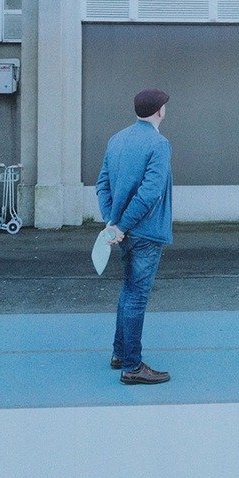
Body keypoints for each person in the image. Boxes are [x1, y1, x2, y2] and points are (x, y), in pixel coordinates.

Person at [96, 88, 175, 386]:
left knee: (128, 292)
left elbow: (102, 184)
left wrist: (113, 222)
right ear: (159, 111)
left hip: (122, 232)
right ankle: (132, 365)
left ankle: (120, 354)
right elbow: (150, 194)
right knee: (136, 295)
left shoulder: (117, 139)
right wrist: (123, 226)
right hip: (145, 231)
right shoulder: (159, 143)